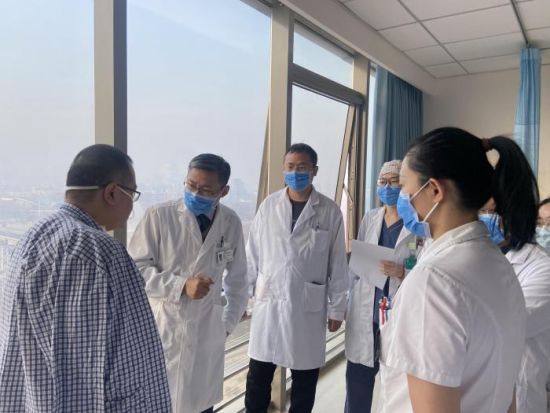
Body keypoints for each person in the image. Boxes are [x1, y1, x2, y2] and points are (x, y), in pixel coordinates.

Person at [0, 144, 171, 412]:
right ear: (112, 192)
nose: (131, 207)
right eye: (132, 194)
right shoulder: (101, 252)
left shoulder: (31, 238)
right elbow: (131, 363)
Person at [378, 128, 533, 413]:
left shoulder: (434, 282)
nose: (401, 197)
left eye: (404, 187)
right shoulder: (496, 263)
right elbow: (505, 386)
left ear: (435, 190)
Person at [128, 153, 248, 413]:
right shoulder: (159, 216)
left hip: (207, 332)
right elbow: (135, 269)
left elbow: (239, 282)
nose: (195, 193)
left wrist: (226, 325)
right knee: (160, 402)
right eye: (191, 185)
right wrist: (181, 285)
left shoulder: (230, 222)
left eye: (205, 189)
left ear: (224, 191)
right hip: (165, 327)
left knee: (200, 405)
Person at [244, 143, 348, 413]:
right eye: (290, 167)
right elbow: (252, 254)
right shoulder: (269, 206)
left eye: (302, 167)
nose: (295, 173)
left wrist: (337, 308)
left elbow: (338, 264)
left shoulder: (329, 211)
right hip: (269, 303)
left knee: (304, 382)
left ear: (315, 170)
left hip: (306, 308)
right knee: (257, 380)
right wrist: (244, 298)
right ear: (283, 169)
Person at [345, 160, 417, 413]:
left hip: (398, 312)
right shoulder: (370, 218)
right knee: (357, 383)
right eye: (382, 182)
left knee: (396, 386)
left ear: (404, 186)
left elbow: (427, 265)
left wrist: (403, 272)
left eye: (394, 182)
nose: (387, 188)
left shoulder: (416, 224)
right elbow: (357, 265)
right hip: (367, 311)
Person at [480, 198, 550, 413]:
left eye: (492, 213)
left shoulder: (543, 268)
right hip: (480, 388)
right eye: (482, 211)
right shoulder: (481, 257)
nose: (485, 219)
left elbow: (513, 324)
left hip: (522, 394)